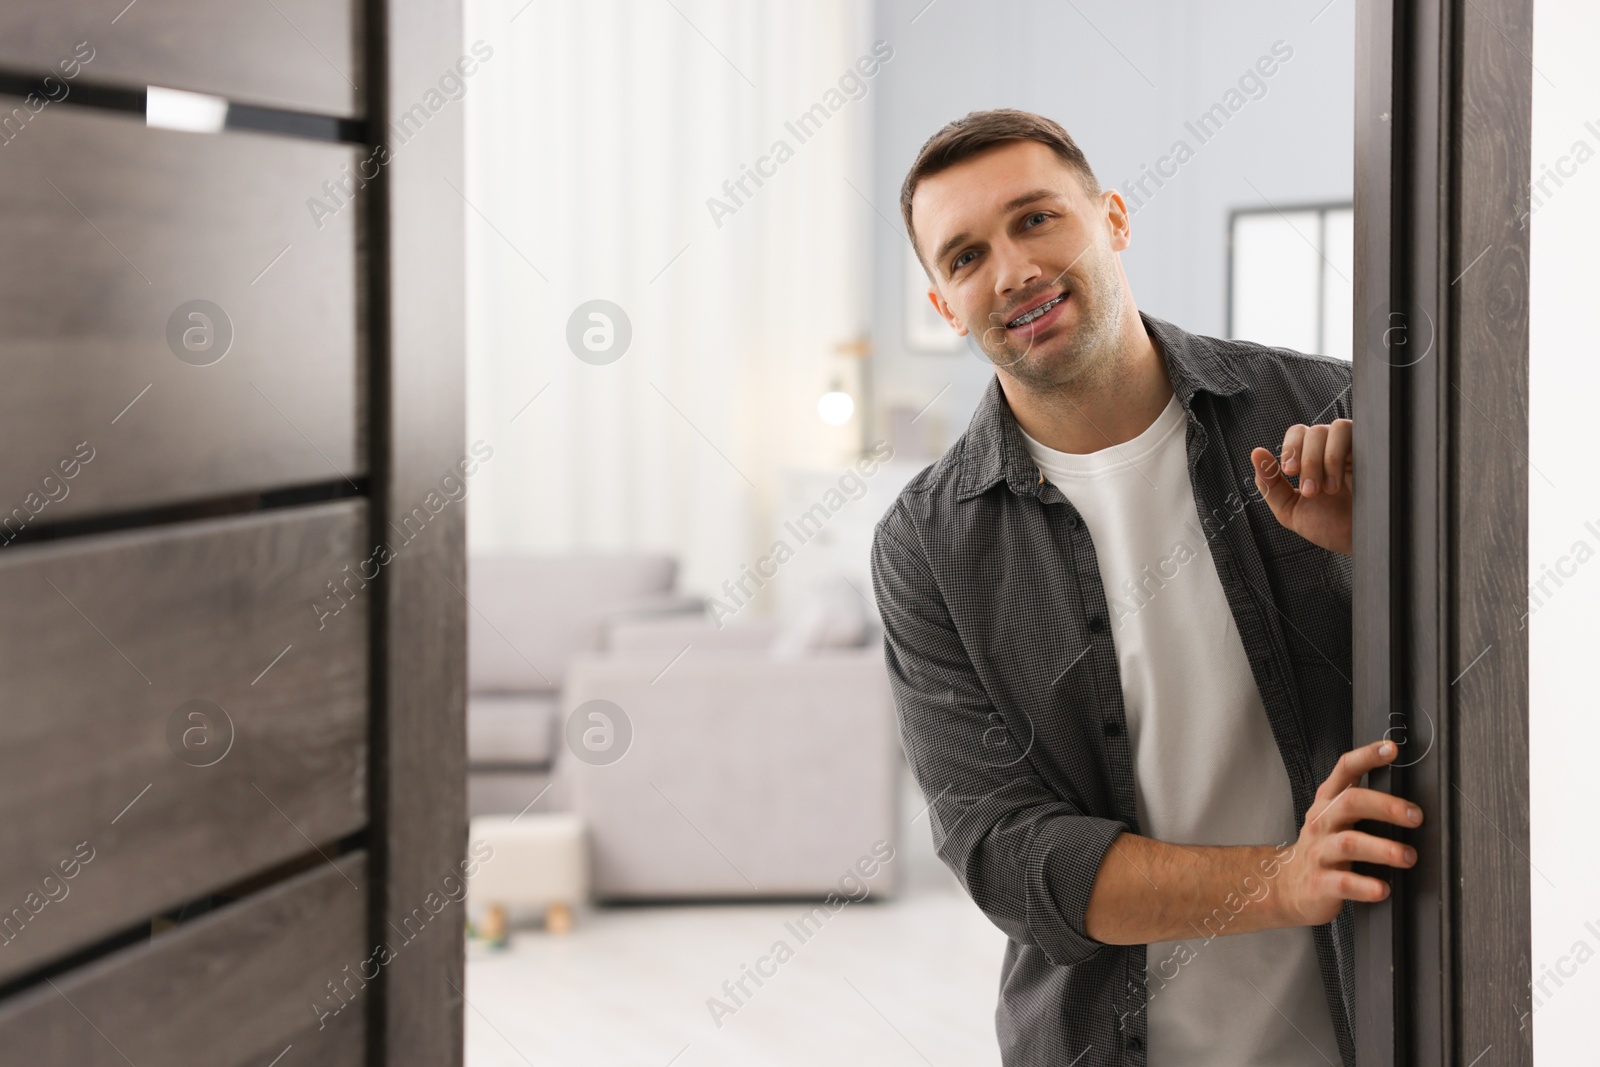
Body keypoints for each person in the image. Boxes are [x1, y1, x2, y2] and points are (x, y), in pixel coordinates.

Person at [869, 109, 1421, 1067]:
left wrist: (1364, 553)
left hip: (1375, 1024)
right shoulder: (929, 546)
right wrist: (1284, 880)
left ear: (1112, 218)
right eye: (964, 257)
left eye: (1036, 219)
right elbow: (1008, 856)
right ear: (941, 302)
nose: (1012, 271)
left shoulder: (1334, 415)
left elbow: (1506, 678)